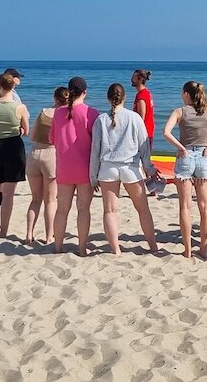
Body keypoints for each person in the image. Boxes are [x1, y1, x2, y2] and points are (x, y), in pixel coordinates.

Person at [163, 80, 207, 259]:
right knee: (205, 207)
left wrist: (181, 147)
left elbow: (166, 132)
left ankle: (187, 249)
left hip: (185, 157)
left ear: (186, 94)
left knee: (185, 207)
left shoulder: (180, 111)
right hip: (202, 157)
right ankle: (203, 248)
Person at [89, 83, 159, 255]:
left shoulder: (101, 120)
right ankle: (153, 246)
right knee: (143, 209)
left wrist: (93, 175)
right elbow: (144, 147)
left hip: (107, 169)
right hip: (130, 168)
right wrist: (149, 167)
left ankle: (116, 250)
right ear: (125, 98)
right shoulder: (134, 118)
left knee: (110, 211)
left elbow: (95, 150)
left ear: (108, 98)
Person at [52, 77, 100, 255]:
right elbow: (97, 143)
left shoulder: (57, 113)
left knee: (62, 210)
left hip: (64, 167)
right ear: (85, 92)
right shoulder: (91, 113)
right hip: (84, 168)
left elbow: (53, 139)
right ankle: (81, 248)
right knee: (83, 209)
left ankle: (57, 247)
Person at [0, 73, 29, 239]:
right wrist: (18, 129)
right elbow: (26, 130)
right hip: (13, 147)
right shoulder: (20, 107)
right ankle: (4, 231)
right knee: (8, 193)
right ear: (13, 86)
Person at [25, 86, 66, 245]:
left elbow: (32, 134)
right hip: (51, 155)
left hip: (35, 154)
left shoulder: (43, 112)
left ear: (54, 98)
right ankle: (49, 236)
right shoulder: (64, 115)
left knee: (35, 199)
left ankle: (29, 234)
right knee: (51, 200)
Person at [131, 68, 155, 146]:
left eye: (133, 78)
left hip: (143, 135)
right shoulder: (147, 93)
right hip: (148, 132)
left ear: (140, 79)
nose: (131, 79)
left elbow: (141, 118)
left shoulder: (141, 96)